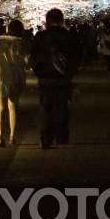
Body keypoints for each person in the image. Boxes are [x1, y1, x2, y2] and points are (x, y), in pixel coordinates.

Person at [30, 9, 80, 149]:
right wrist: (69, 74)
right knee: (61, 106)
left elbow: (33, 57)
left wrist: (38, 71)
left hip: (45, 78)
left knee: (45, 108)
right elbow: (75, 58)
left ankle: (45, 137)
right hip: (62, 79)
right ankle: (61, 136)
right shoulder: (68, 36)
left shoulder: (41, 36)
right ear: (61, 20)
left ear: (47, 20)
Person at [0, 19, 28, 147]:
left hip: (0, 78)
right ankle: (12, 136)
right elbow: (25, 61)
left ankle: (0, 136)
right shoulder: (20, 43)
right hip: (15, 78)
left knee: (0, 109)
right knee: (13, 108)